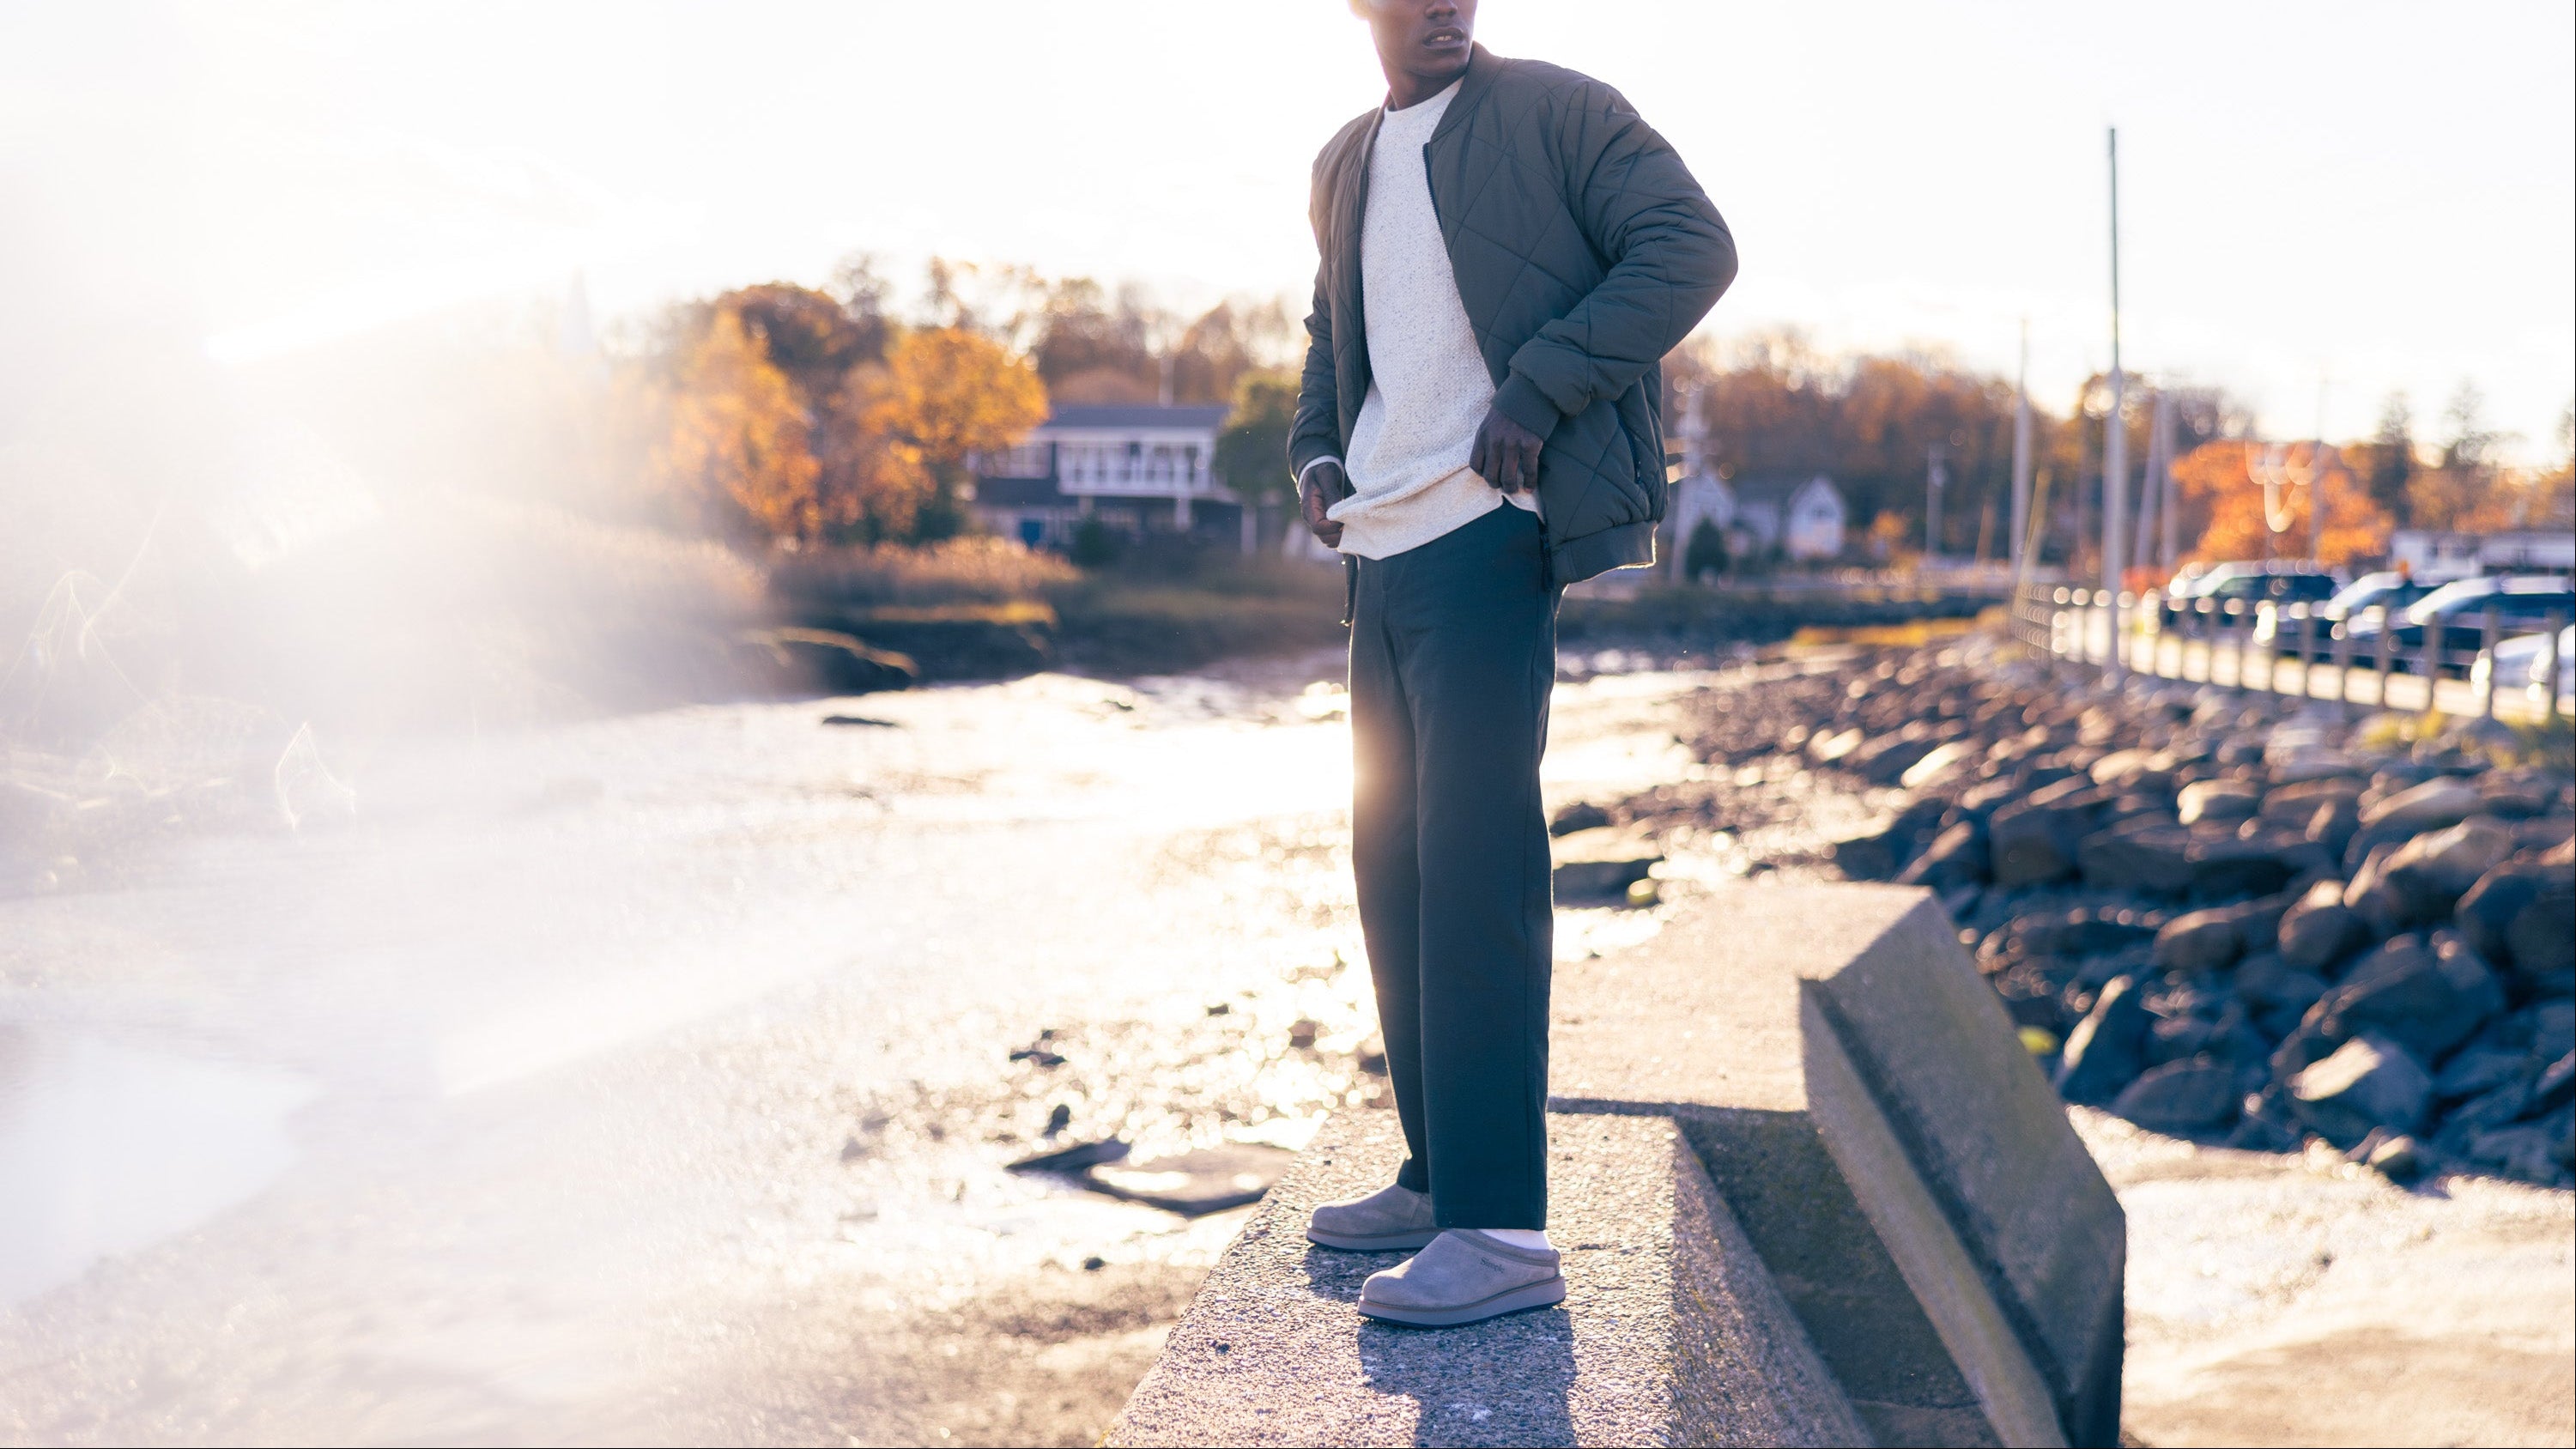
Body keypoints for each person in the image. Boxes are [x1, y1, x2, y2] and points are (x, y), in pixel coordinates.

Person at [1290, 0, 1737, 1327]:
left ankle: (1499, 1232)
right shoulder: (1343, 159)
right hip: (1381, 545)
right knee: (1395, 867)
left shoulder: (1558, 111)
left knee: (1478, 868)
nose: (1445, 4)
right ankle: (1439, 1177)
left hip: (1490, 531)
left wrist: (1535, 392)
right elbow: (1330, 333)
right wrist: (1316, 451)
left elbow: (1693, 250)